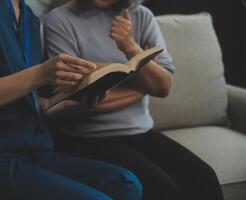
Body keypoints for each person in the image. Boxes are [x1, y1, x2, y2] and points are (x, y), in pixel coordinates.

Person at [0, 0, 143, 199]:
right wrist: (40, 74)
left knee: (126, 183)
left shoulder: (29, 20)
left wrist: (74, 101)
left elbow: (30, 102)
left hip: (33, 151)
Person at [44, 0, 224, 200]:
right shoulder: (59, 20)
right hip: (87, 137)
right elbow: (83, 98)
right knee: (163, 189)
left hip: (140, 131)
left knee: (204, 178)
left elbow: (163, 87)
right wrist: (142, 87)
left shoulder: (141, 16)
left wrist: (130, 47)